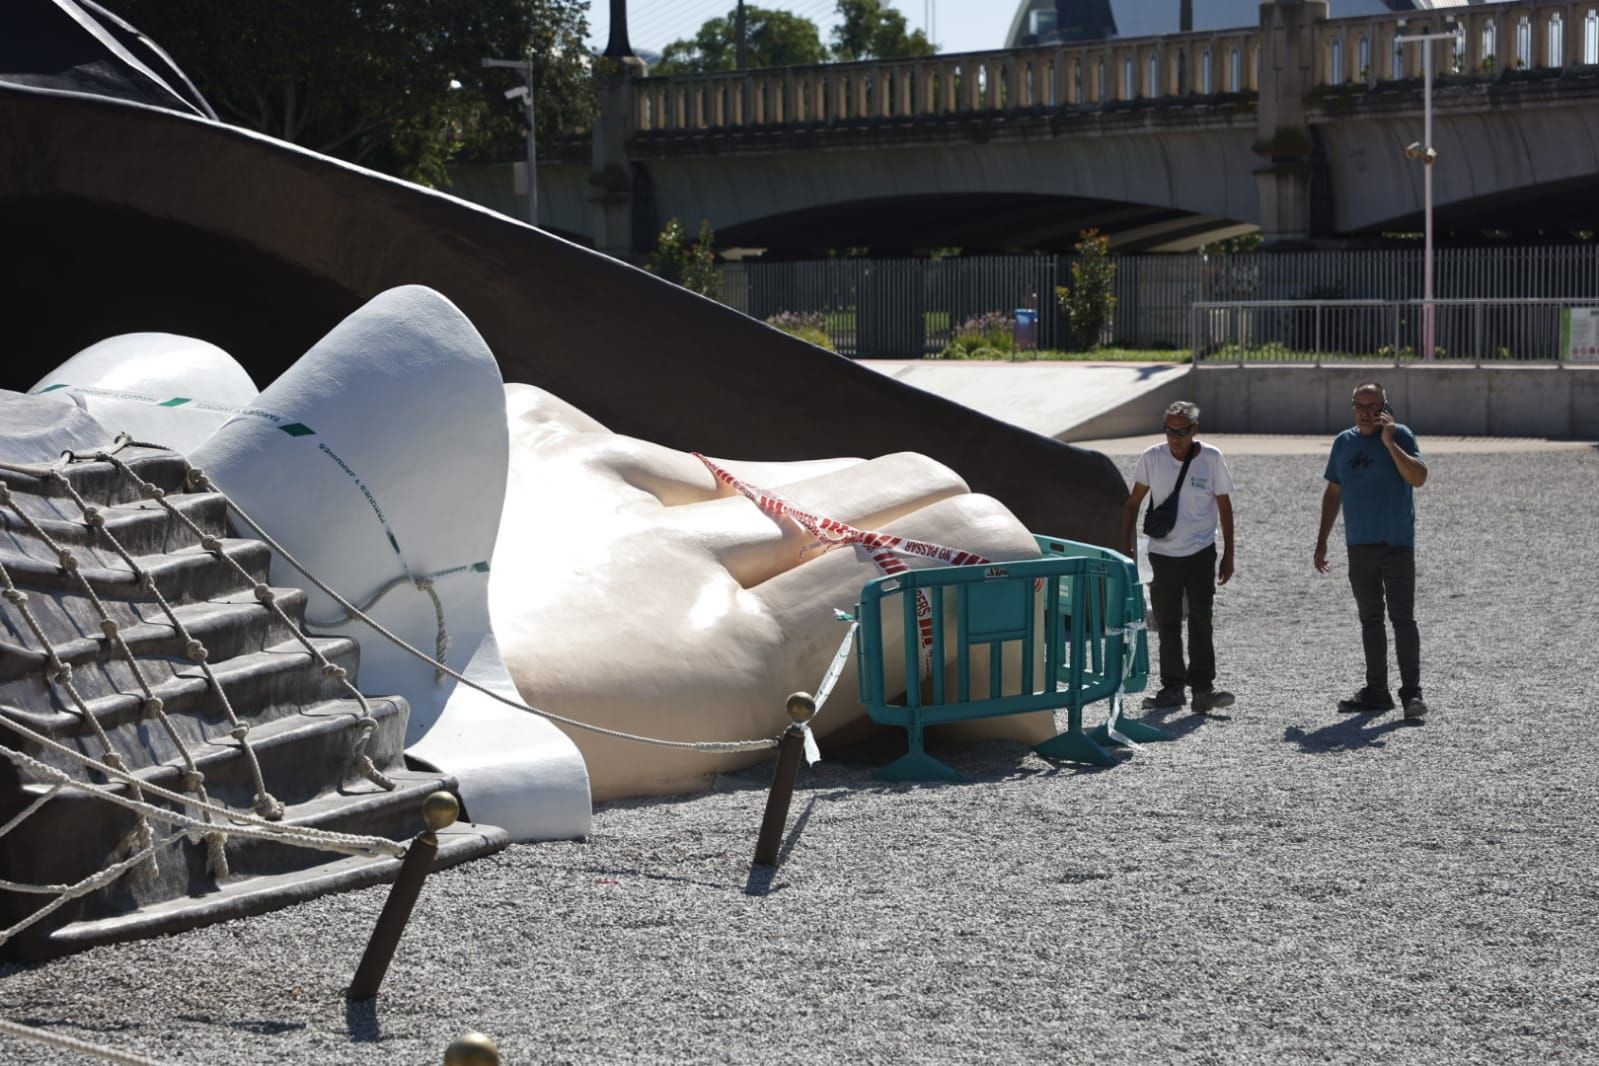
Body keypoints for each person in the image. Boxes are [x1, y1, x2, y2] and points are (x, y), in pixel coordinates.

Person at [1314, 382, 1430, 720]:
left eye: (1373, 405)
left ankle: (1412, 694)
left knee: (1403, 619)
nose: (1365, 412)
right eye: (1359, 405)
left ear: (1385, 406)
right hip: (1359, 545)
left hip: (1397, 543)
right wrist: (1322, 540)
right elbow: (1333, 491)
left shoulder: (1402, 436)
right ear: (1352, 407)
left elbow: (1419, 477)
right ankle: (1376, 690)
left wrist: (1389, 442)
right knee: (1370, 619)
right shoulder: (1344, 442)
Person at [1122, 401, 1236, 714]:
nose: (1175, 437)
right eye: (1170, 430)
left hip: (1201, 553)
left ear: (1194, 430)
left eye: (1182, 431)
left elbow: (1225, 507)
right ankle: (1172, 688)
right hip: (1162, 553)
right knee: (1167, 623)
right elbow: (1132, 504)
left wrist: (1229, 554)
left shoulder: (1211, 458)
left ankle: (1203, 688)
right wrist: (1126, 546)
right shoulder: (1152, 457)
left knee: (1201, 619)